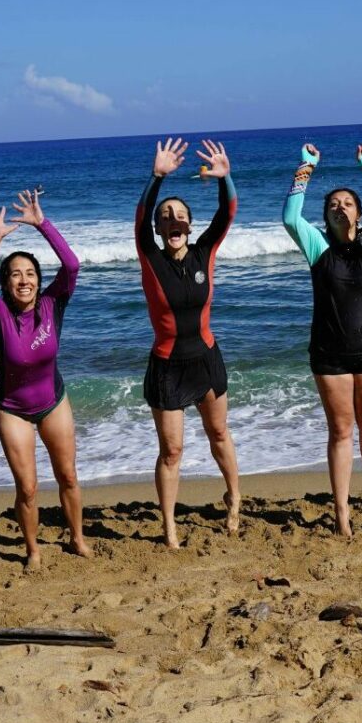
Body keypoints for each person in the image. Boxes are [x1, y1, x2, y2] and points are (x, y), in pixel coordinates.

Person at [282, 141, 362, 536]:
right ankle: (342, 514)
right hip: (329, 353)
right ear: (326, 216)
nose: (340, 207)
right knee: (340, 431)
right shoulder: (318, 247)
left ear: (359, 212)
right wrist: (306, 168)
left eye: (347, 203)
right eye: (333, 204)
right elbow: (289, 217)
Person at [0, 189, 91, 567]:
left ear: (38, 280)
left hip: (53, 401)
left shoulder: (52, 303)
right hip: (12, 409)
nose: (23, 280)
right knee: (27, 488)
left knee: (68, 477)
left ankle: (77, 538)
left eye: (29, 274)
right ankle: (33, 550)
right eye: (15, 275)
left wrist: (42, 224)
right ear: (6, 284)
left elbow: (71, 266)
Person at [136, 137, 242, 546]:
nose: (173, 220)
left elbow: (228, 212)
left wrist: (225, 178)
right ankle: (169, 525)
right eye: (166, 216)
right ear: (160, 229)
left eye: (180, 215)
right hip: (167, 365)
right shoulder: (151, 258)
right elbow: (140, 215)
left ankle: (234, 497)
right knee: (172, 452)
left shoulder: (204, 252)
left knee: (219, 435)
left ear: (189, 225)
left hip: (206, 360)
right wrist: (157, 177)